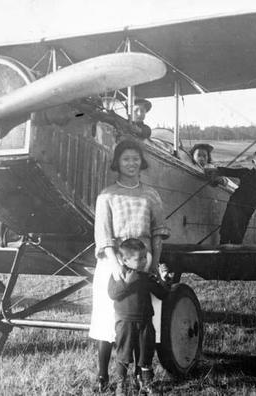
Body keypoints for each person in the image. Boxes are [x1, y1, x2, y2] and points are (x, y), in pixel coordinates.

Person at [90, 139, 170, 392]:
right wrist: (116, 266)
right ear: (117, 163)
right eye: (126, 159)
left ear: (141, 161)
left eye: (136, 158)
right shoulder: (107, 195)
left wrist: (153, 263)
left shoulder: (151, 194)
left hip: (143, 263)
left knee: (146, 321)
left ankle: (141, 374)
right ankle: (103, 376)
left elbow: (158, 231)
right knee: (107, 319)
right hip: (113, 263)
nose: (132, 163)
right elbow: (103, 236)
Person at [108, 238, 169, 395]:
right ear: (124, 260)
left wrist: (163, 279)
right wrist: (126, 283)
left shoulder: (145, 277)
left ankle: (146, 383)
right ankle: (121, 384)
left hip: (145, 322)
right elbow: (113, 294)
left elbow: (162, 294)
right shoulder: (118, 274)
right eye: (138, 259)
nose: (143, 261)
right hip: (125, 323)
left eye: (144, 257)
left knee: (146, 353)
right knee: (124, 353)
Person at [206, 149, 256, 244]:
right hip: (232, 208)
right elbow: (227, 171)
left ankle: (233, 258)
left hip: (246, 213)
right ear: (254, 162)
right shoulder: (245, 173)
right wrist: (212, 171)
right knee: (224, 235)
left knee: (237, 239)